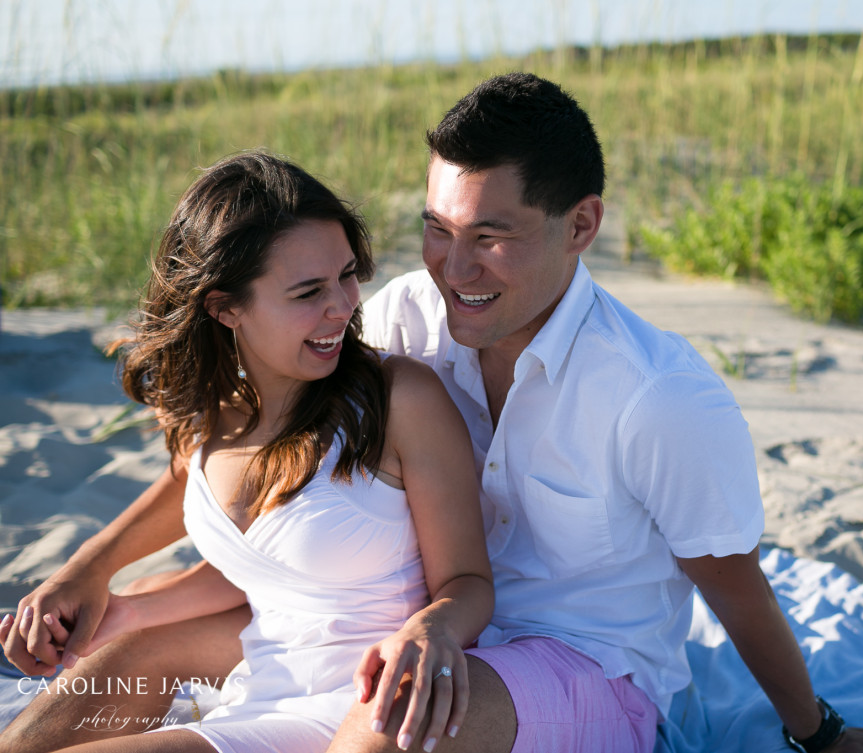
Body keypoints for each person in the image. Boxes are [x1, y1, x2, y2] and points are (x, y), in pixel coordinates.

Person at [1, 76, 863, 753]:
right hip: (381, 628)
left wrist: (819, 731)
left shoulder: (656, 395)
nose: (455, 267)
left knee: (396, 720)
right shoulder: (404, 315)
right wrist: (95, 569)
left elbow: (734, 583)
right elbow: (264, 445)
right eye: (439, 231)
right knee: (101, 679)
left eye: (491, 236)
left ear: (581, 224)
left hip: (576, 667)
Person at [0, 151, 493, 753]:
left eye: (346, 274)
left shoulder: (400, 400)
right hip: (254, 678)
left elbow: (469, 581)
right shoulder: (212, 413)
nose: (343, 306)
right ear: (225, 307)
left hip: (356, 706)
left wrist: (432, 628)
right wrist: (91, 572)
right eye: (308, 291)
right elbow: (203, 501)